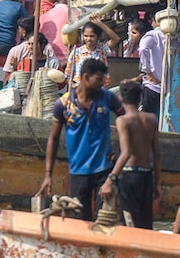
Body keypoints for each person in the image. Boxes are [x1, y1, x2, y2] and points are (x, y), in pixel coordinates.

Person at [38, 59, 124, 221]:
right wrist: (48, 175)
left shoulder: (108, 98)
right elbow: (53, 139)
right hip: (78, 172)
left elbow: (128, 121)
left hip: (104, 170)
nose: (102, 83)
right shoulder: (63, 104)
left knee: (104, 220)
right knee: (78, 222)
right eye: (98, 79)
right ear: (85, 77)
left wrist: (121, 153)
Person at [98, 80, 160, 229]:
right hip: (147, 175)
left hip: (130, 177)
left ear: (120, 97)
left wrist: (110, 180)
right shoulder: (151, 119)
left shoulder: (123, 121)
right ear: (140, 98)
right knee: (145, 224)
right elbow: (157, 154)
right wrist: (157, 183)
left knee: (130, 223)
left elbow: (126, 153)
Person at [65, 15, 119, 87]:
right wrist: (73, 86)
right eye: (86, 36)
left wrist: (100, 24)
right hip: (81, 91)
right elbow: (67, 76)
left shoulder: (102, 49)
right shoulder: (76, 52)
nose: (88, 39)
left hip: (99, 90)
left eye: (92, 36)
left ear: (98, 36)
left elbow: (116, 39)